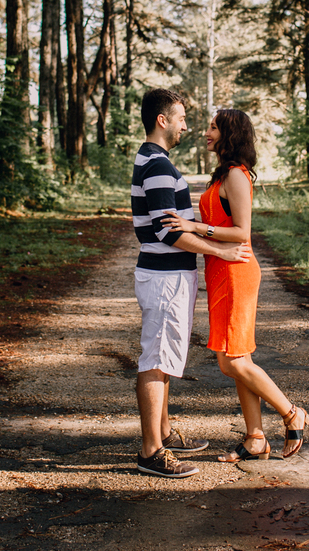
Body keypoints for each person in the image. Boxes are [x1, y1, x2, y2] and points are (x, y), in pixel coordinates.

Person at [162, 108, 309, 463]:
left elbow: (242, 232)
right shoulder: (223, 174)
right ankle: (255, 437)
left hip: (236, 271)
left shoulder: (238, 176)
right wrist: (200, 228)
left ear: (230, 134)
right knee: (237, 357)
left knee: (231, 361)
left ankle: (292, 413)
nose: (206, 132)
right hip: (220, 270)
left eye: (214, 127)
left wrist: (195, 227)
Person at [131, 89, 253, 478]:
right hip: (165, 277)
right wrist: (219, 252)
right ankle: (152, 451)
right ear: (162, 120)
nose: (188, 126)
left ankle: (163, 433)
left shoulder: (153, 160)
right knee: (156, 360)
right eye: (181, 117)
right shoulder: (159, 167)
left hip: (168, 276)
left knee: (164, 359)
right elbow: (169, 233)